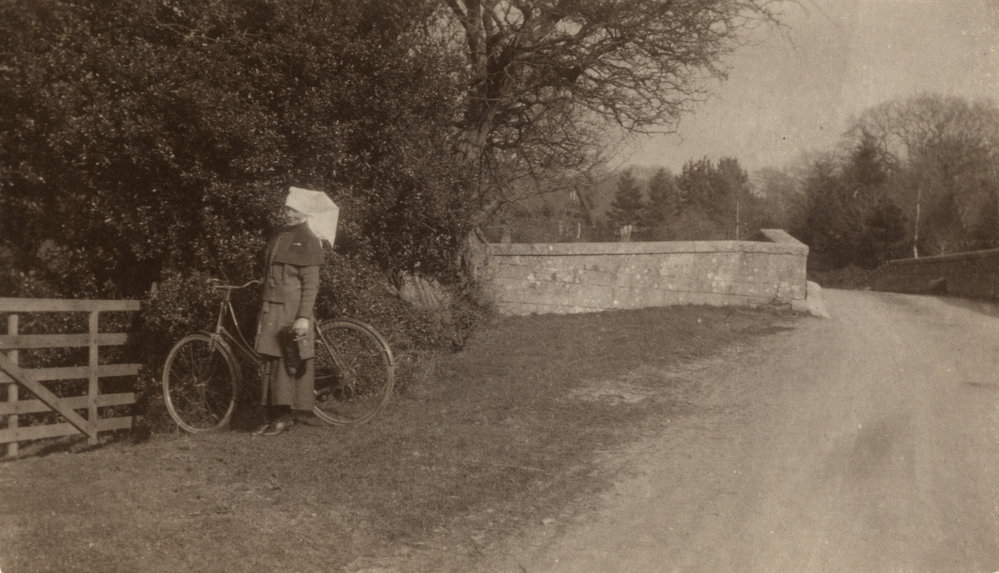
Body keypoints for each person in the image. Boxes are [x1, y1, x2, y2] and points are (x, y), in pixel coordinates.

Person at [252, 186, 338, 436]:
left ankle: (284, 416)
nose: (287, 213)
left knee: (285, 361)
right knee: (270, 360)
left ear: (303, 212)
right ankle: (270, 414)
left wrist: (303, 316)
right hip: (271, 307)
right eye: (287, 208)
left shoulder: (308, 239)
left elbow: (311, 284)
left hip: (290, 309)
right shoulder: (281, 234)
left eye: (293, 209)